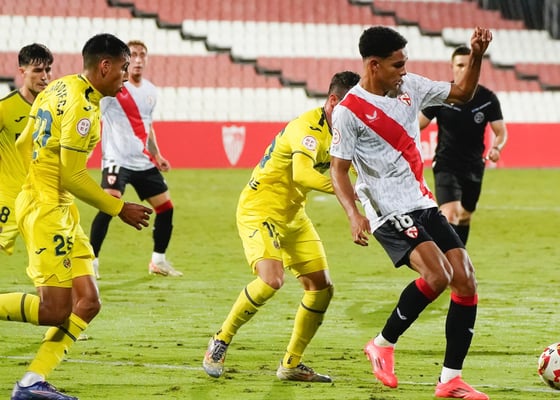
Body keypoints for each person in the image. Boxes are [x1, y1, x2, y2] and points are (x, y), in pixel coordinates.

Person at [329, 26, 492, 399]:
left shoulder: (410, 87)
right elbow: (338, 169)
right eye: (397, 65)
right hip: (387, 208)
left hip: (421, 202)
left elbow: (463, 92)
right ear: (374, 65)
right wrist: (354, 214)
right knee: (438, 275)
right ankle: (382, 344)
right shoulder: (349, 111)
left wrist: (477, 54)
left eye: (405, 63)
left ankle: (450, 380)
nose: (404, 71)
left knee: (465, 279)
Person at [2, 33, 153, 400]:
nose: (125, 75)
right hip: (47, 210)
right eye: (122, 68)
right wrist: (119, 208)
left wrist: (34, 180)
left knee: (88, 301)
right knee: (55, 310)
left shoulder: (59, 87)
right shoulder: (82, 106)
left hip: (57, 206)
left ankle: (32, 382)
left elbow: (23, 143)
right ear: (105, 66)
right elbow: (72, 175)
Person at [203, 71, 361, 382]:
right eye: (352, 109)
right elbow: (303, 174)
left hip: (293, 215)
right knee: (271, 280)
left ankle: (291, 364)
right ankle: (220, 340)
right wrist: (350, 193)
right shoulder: (307, 127)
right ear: (333, 101)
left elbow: (359, 167)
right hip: (259, 209)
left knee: (322, 288)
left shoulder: (346, 130)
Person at [89, 39, 181, 279]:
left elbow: (148, 126)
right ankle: (92, 261)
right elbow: (94, 115)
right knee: (108, 205)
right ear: (125, 60)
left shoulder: (150, 91)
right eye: (133, 55)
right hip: (116, 160)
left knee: (166, 208)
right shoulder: (113, 88)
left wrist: (157, 154)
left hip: (143, 161)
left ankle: (158, 261)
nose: (138, 60)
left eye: (142, 55)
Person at [419, 45, 508, 246]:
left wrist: (497, 147)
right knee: (450, 213)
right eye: (460, 65)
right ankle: (444, 259)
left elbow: (501, 132)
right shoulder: (441, 95)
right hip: (446, 164)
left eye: (469, 65)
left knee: (464, 216)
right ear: (452, 67)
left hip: (474, 166)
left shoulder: (487, 99)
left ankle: (459, 257)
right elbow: (417, 125)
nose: (464, 70)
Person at [0, 43, 53, 257]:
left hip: (43, 200)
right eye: (38, 70)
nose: (44, 76)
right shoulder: (5, 108)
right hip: (8, 199)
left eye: (48, 69)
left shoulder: (54, 110)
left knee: (53, 261)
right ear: (22, 72)